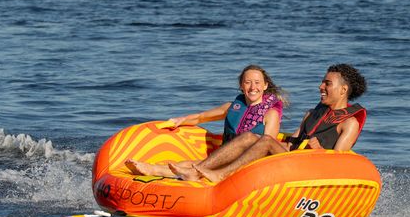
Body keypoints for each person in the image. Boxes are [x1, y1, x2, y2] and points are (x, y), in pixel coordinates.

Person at [176, 64, 367, 183]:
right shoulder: (312, 113)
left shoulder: (349, 123)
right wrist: (280, 144)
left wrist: (319, 151)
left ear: (343, 90)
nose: (321, 86)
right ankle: (196, 172)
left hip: (310, 171)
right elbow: (293, 143)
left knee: (266, 140)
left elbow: (338, 164)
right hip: (292, 161)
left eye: (327, 83)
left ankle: (220, 175)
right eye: (322, 82)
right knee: (250, 137)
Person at [125, 65, 287, 177]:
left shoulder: (271, 113)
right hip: (228, 156)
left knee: (246, 139)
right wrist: (180, 120)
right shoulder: (232, 107)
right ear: (241, 86)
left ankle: (190, 172)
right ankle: (154, 170)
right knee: (189, 163)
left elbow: (266, 148)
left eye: (257, 83)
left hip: (251, 163)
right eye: (248, 82)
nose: (253, 87)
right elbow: (201, 117)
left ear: (265, 86)